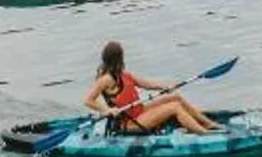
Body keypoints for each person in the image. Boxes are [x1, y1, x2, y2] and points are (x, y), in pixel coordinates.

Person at [85, 40, 217, 135]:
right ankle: (205, 134)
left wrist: (165, 87)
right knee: (174, 108)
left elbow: (146, 84)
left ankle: (208, 124)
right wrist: (107, 110)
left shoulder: (123, 74)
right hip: (129, 123)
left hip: (139, 111)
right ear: (118, 58)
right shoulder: (106, 79)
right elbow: (88, 100)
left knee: (175, 97)